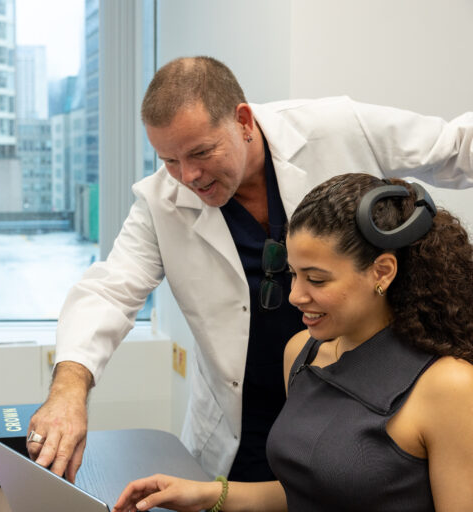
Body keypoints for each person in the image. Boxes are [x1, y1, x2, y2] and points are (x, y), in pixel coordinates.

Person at [26, 56, 473, 484]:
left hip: (358, 407)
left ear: (243, 121)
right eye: (169, 160)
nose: (188, 176)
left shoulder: (335, 127)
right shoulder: (161, 203)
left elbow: (455, 149)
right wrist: (69, 388)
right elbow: (110, 291)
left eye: (202, 152)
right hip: (244, 424)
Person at [111, 173, 473, 512]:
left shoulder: (447, 386)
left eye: (316, 279)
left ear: (382, 272)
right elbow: (309, 491)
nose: (295, 295)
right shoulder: (301, 353)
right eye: (292, 274)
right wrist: (207, 493)